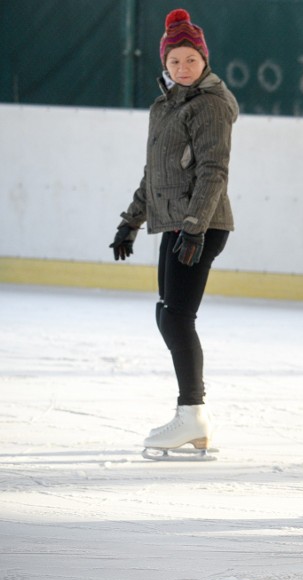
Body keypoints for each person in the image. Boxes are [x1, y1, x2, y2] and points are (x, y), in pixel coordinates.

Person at [109, 8, 238, 453]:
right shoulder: (164, 106)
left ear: (205, 61)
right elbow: (155, 173)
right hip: (176, 224)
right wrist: (131, 220)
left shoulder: (210, 106)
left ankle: (192, 416)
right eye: (175, 61)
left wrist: (195, 228)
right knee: (169, 313)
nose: (183, 68)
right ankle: (193, 417)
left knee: (177, 316)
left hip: (201, 224)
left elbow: (213, 172)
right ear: (164, 65)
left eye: (191, 60)